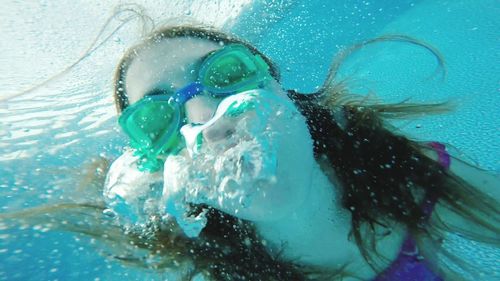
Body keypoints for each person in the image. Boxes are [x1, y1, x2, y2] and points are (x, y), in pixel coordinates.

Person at [2, 24, 499, 281]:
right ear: (153, 164)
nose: (208, 118)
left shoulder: (398, 174)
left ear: (278, 86)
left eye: (226, 74)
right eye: (157, 120)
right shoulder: (205, 265)